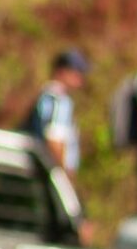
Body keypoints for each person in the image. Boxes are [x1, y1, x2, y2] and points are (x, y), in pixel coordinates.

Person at [26, 49, 90, 177]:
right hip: (50, 172)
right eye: (76, 73)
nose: (80, 80)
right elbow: (55, 140)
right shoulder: (58, 100)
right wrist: (62, 177)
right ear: (62, 71)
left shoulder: (46, 96)